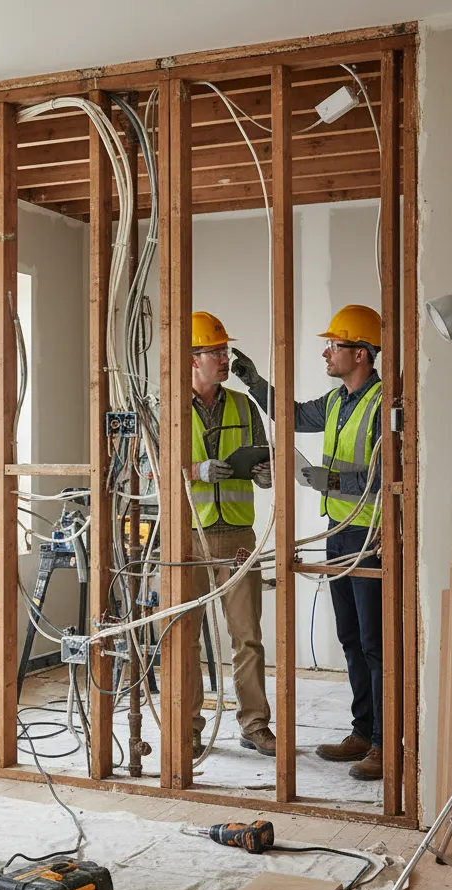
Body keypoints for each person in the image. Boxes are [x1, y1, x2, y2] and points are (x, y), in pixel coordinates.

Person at [230, 304, 384, 781]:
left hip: (371, 534)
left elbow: (384, 477)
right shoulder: (338, 400)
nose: (326, 351)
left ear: (359, 353)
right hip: (339, 533)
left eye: (333, 345)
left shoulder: (385, 404)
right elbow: (292, 414)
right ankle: (362, 731)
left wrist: (329, 478)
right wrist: (256, 383)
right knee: (351, 637)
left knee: (376, 642)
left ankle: (383, 743)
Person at [188, 310, 275, 759]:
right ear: (191, 358)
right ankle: (188, 729)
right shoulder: (167, 409)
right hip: (189, 536)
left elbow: (264, 460)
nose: (225, 358)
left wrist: (263, 474)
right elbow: (144, 469)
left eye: (224, 351)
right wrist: (197, 470)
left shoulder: (243, 405)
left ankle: (254, 724)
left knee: (248, 636)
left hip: (239, 534)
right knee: (183, 639)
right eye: (215, 351)